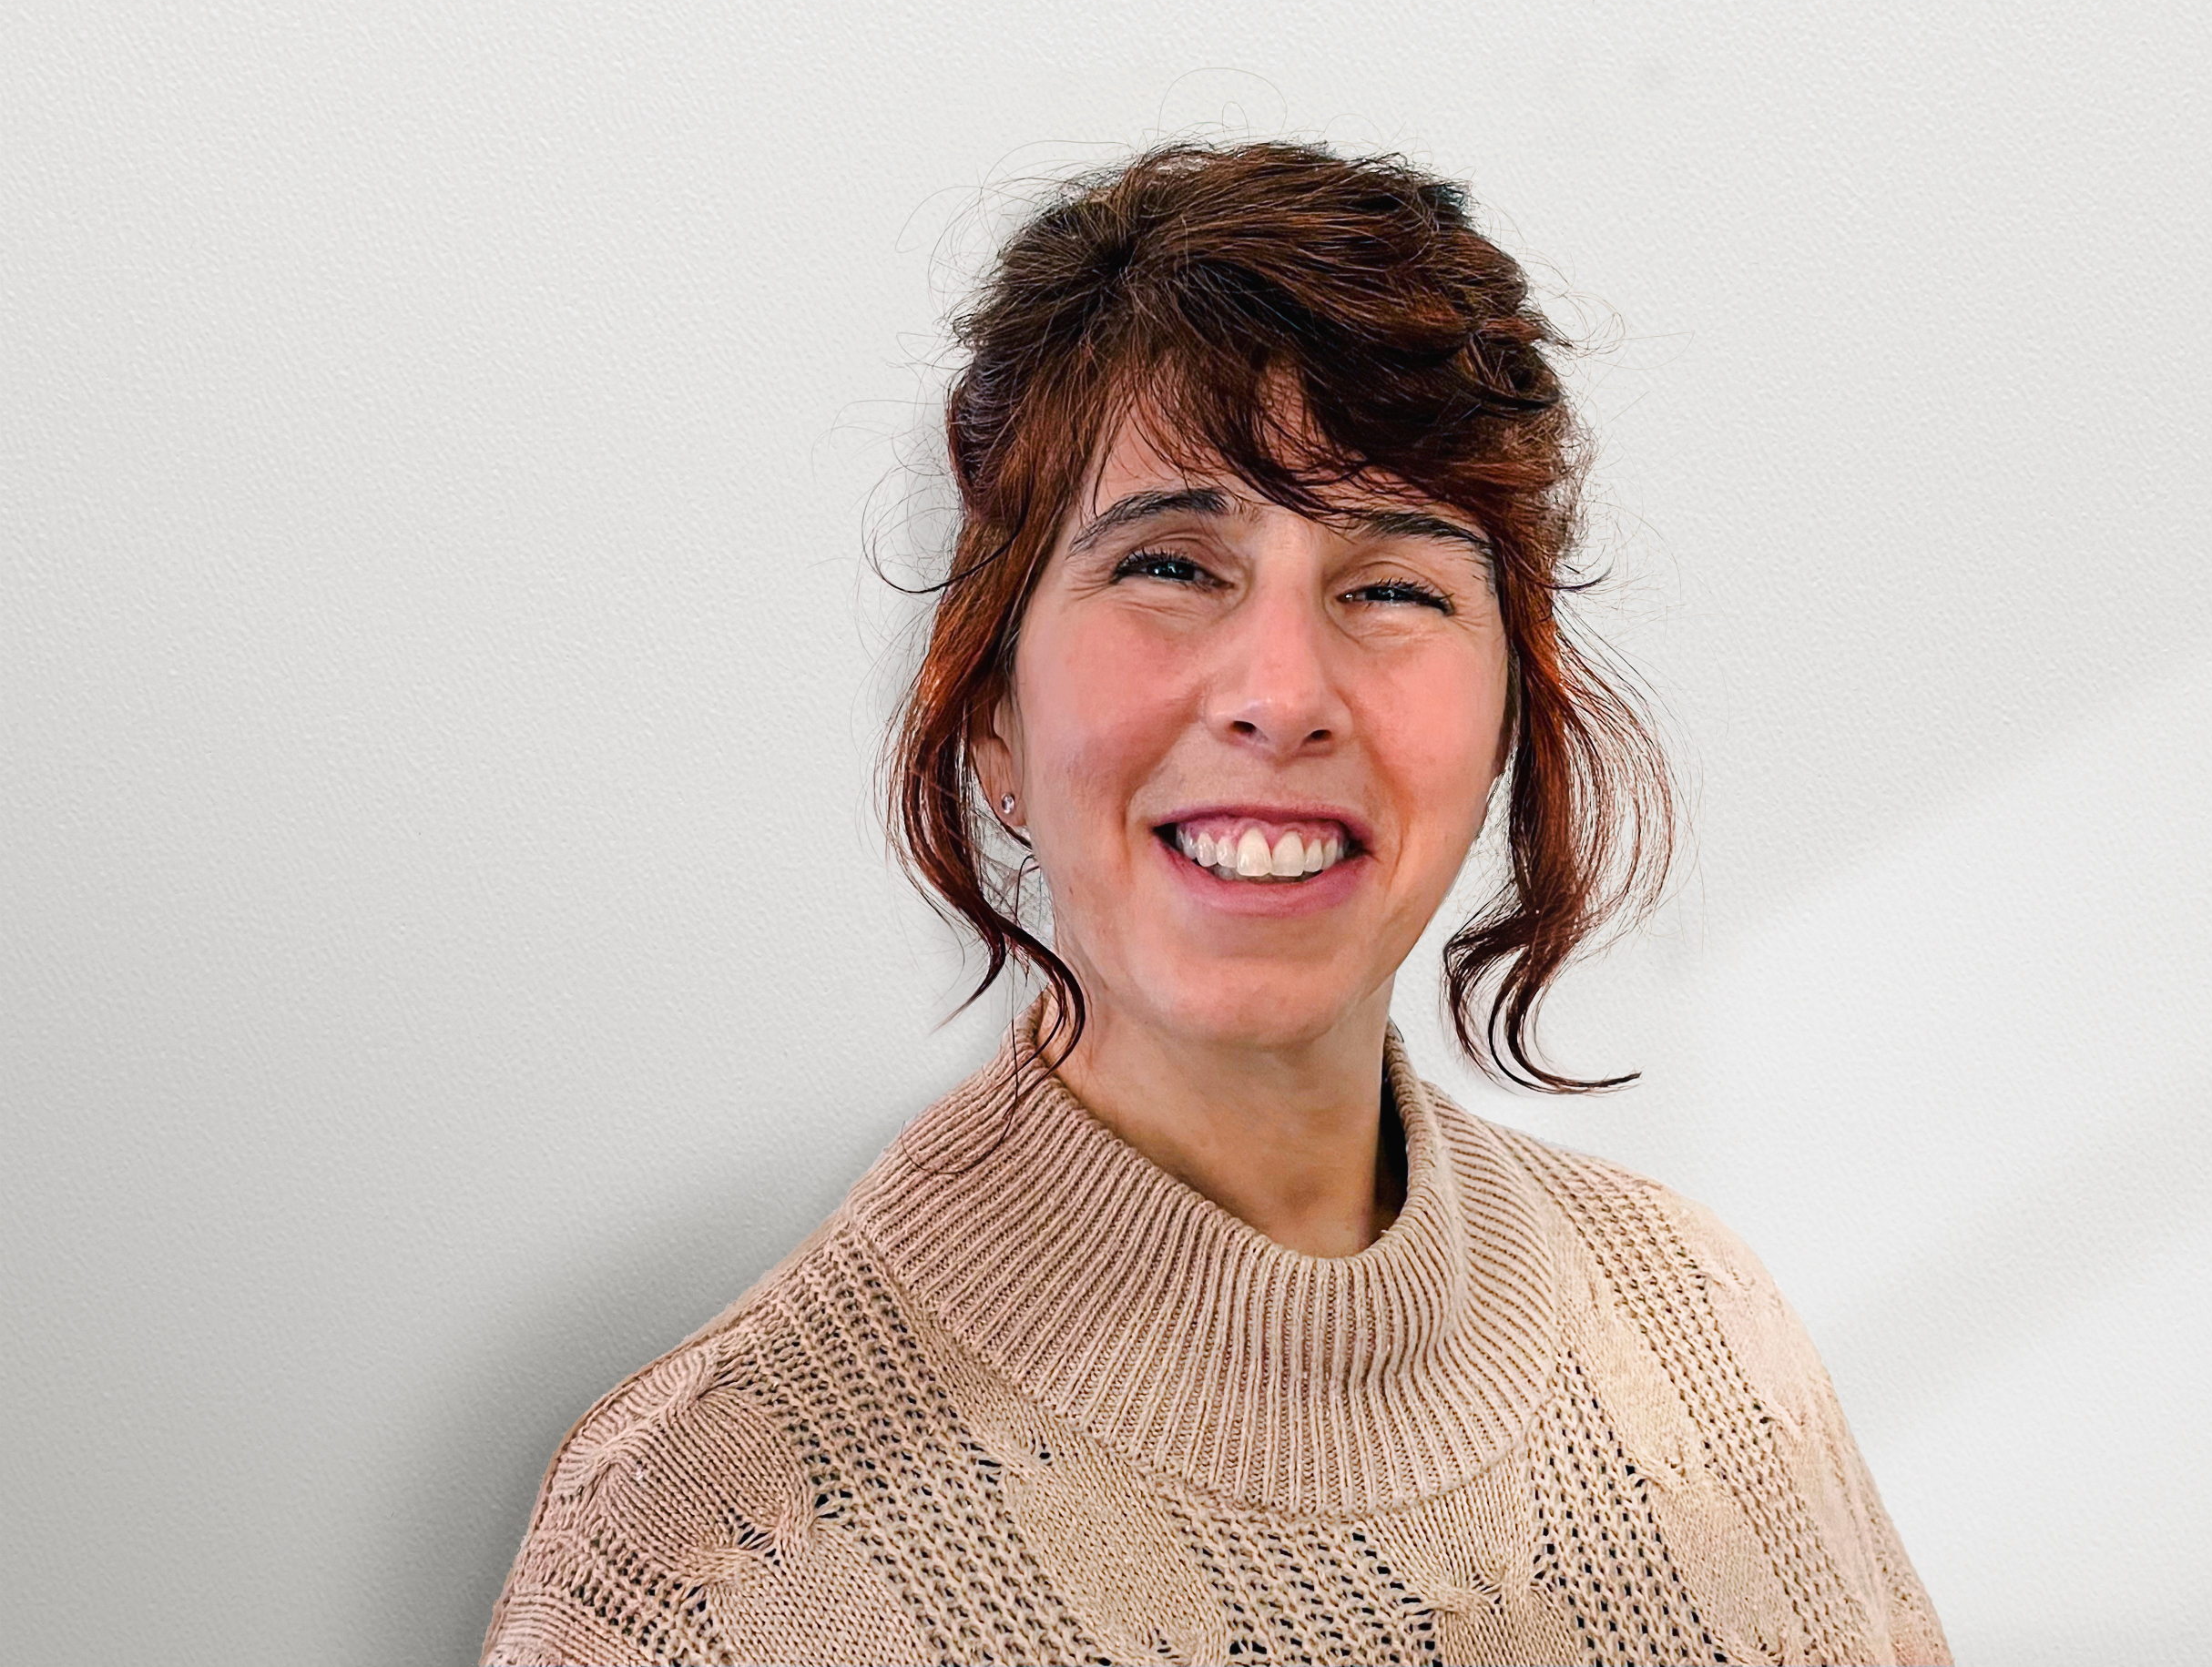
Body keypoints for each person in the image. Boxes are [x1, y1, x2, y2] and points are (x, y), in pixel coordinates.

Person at [481, 140, 1950, 1666]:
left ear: (1511, 715)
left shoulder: (1711, 1336)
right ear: (990, 715)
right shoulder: (707, 1561)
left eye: (1395, 586)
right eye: (1172, 565)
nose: (1281, 693)